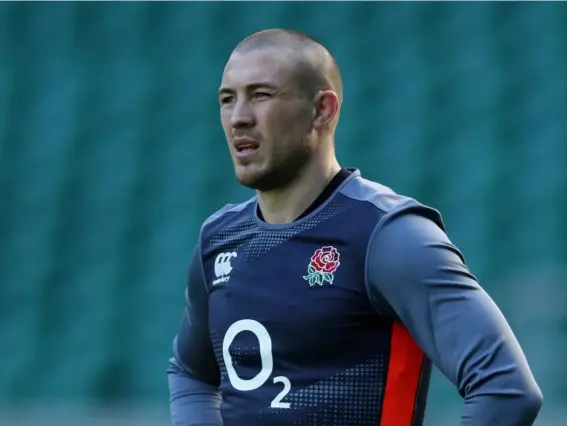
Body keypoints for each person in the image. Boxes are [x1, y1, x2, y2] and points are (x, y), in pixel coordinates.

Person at [167, 29, 543, 426]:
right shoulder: (218, 239)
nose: (239, 116)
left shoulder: (389, 236)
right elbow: (190, 373)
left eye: (261, 95)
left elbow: (506, 390)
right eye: (228, 99)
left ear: (322, 110)